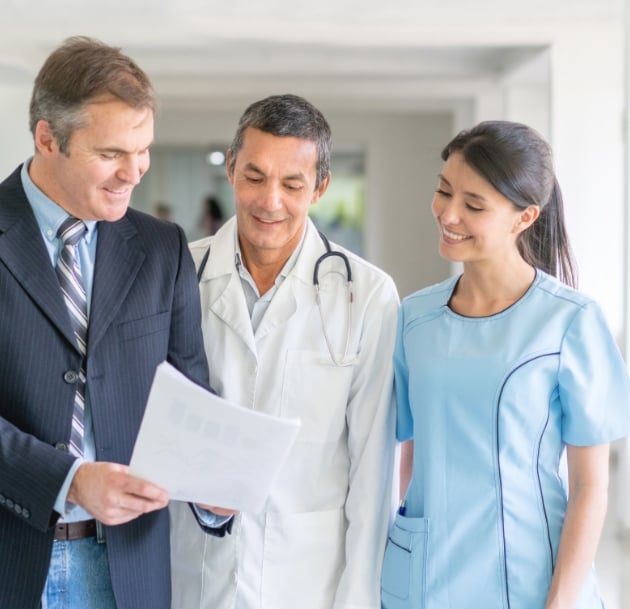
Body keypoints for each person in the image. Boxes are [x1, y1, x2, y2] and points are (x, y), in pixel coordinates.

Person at [0, 36, 228, 609]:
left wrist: (212, 489)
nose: (134, 173)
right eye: (111, 154)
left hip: (128, 571)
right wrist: (67, 479)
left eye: (143, 149)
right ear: (48, 138)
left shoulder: (162, 249)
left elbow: (189, 396)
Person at [380, 120, 630, 609]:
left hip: (529, 576)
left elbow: (590, 486)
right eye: (443, 191)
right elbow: (410, 454)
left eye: (474, 206)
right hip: (424, 575)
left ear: (524, 217)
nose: (449, 214)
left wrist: (560, 601)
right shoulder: (414, 317)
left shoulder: (570, 322)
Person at [170, 93, 399, 609]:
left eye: (292, 184)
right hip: (195, 573)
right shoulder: (179, 274)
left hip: (308, 582)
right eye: (254, 177)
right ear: (230, 169)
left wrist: (359, 598)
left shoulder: (366, 295)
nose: (269, 200)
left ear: (320, 187)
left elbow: (373, 471)